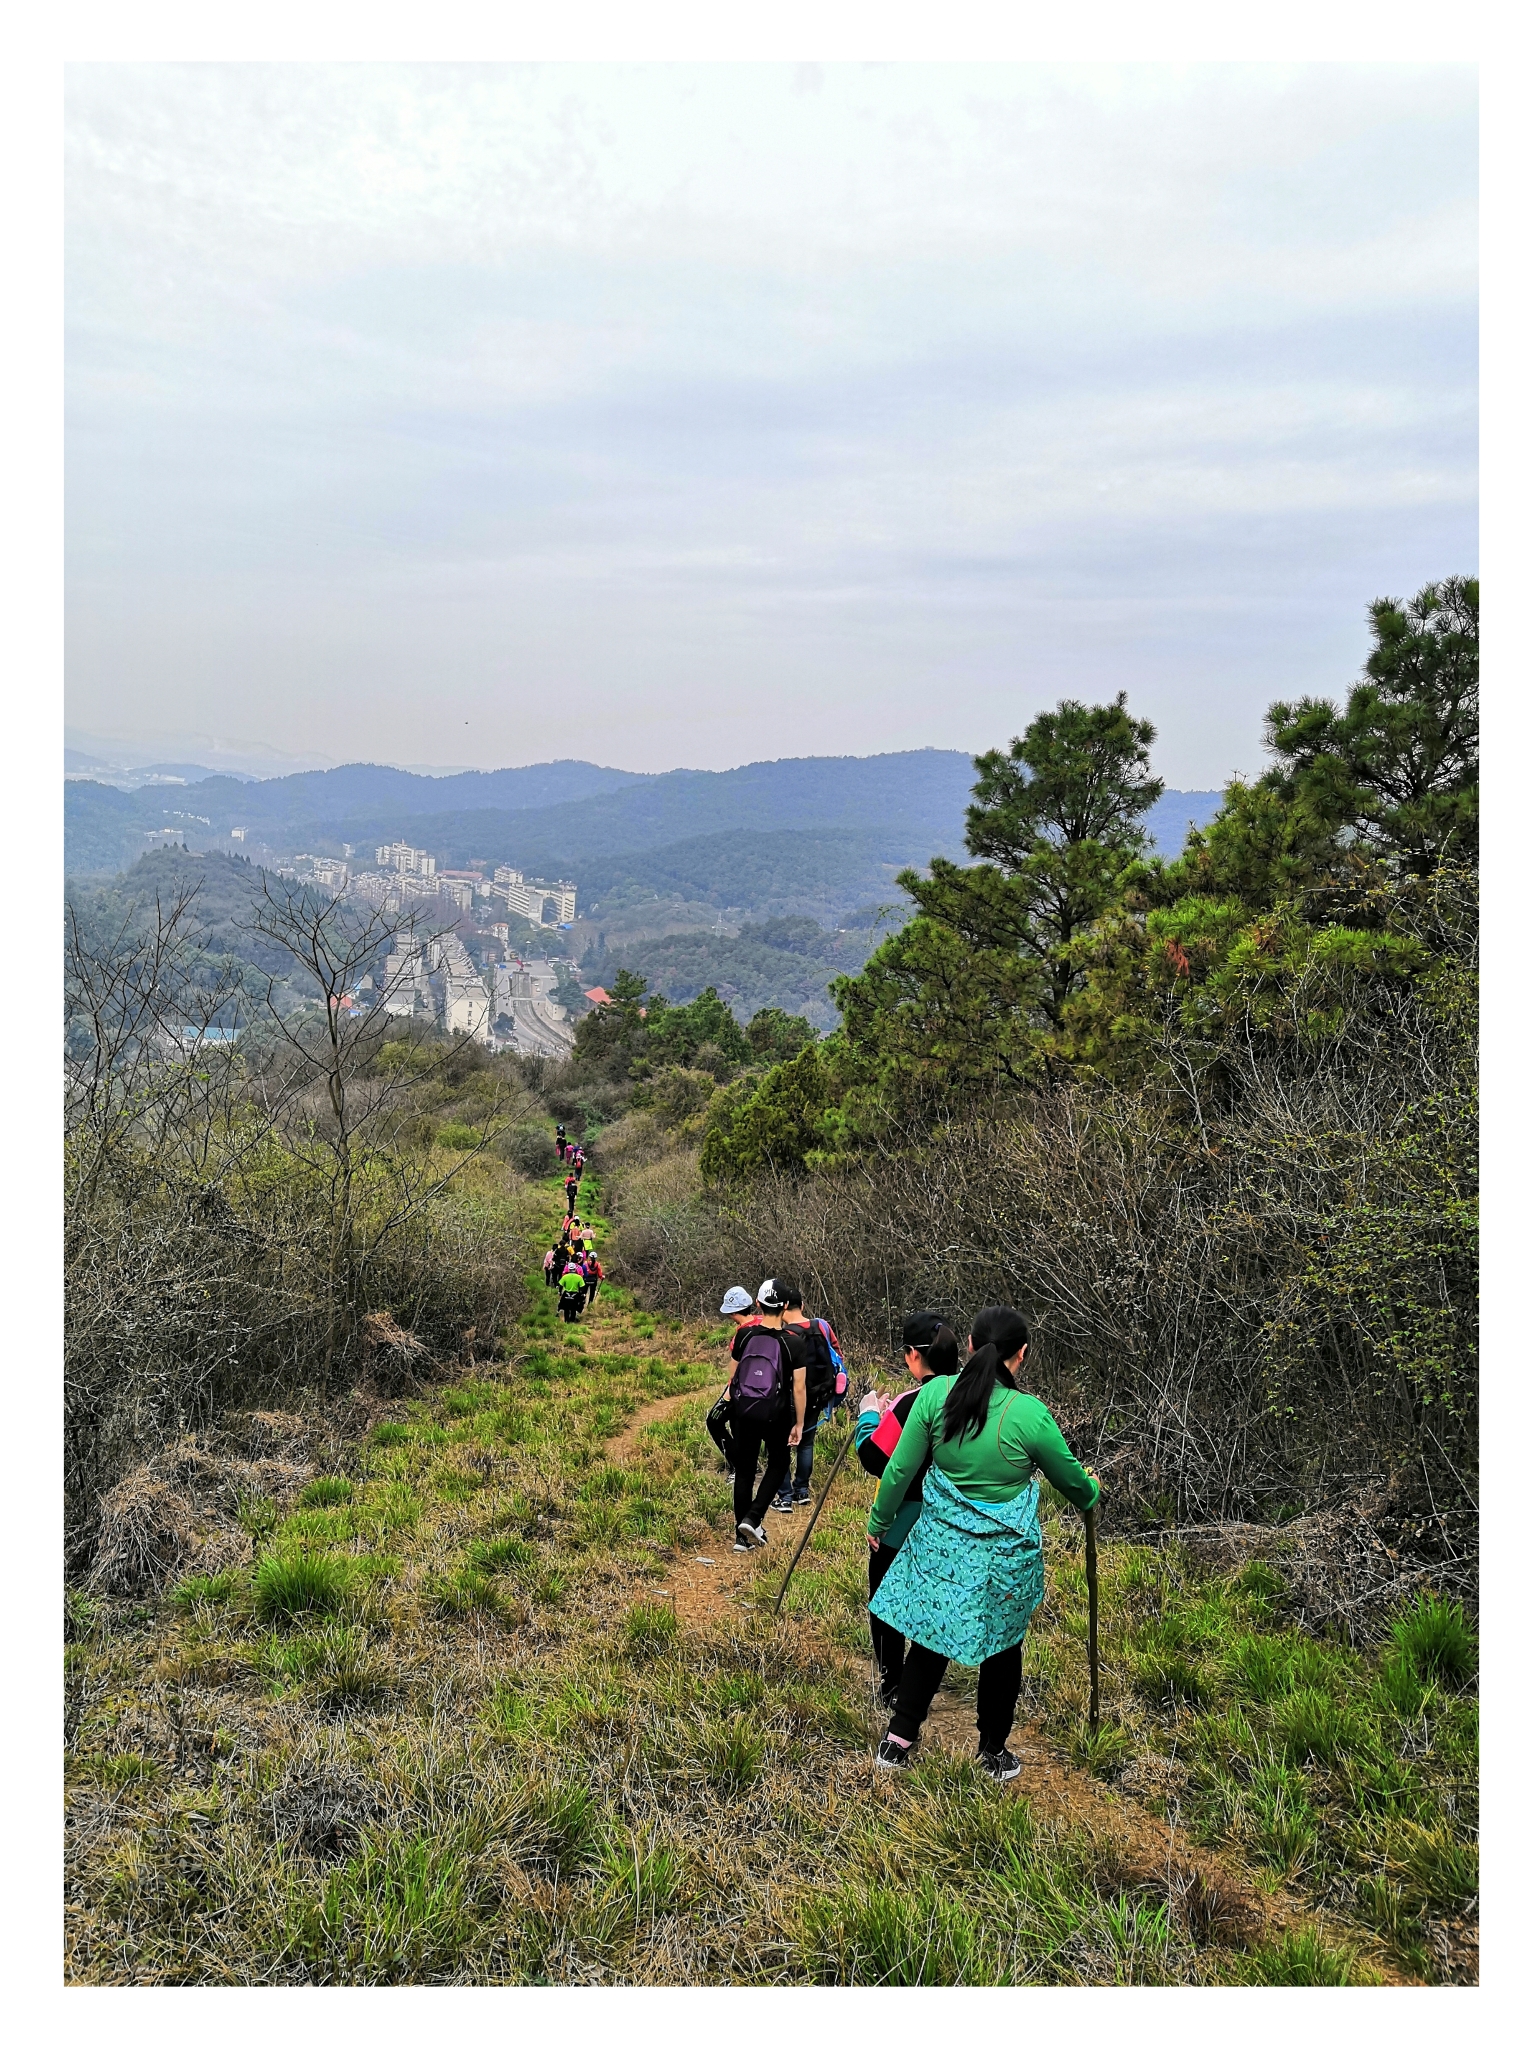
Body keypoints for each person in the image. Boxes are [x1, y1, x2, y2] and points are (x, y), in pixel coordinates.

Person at [866, 1305, 1099, 1782]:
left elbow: (899, 1470)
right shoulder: (1030, 1416)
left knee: (931, 1638)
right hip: (1003, 1557)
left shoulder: (934, 1395)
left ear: (970, 1346)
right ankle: (993, 1751)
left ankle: (898, 1740)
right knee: (1003, 1645)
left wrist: (879, 1520)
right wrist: (1092, 1489)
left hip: (941, 1549)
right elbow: (1075, 1487)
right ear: (1022, 1355)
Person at [855, 1311, 961, 1708]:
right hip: (954, 1521)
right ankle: (926, 1680)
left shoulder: (910, 1402)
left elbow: (877, 1458)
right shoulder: (977, 1397)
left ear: (914, 1356)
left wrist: (868, 1415)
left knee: (885, 1601)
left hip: (902, 1522)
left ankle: (892, 1683)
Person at [726, 1279, 806, 1551]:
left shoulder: (744, 1336)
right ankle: (754, 1516)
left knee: (745, 1470)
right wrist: (799, 1423)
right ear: (785, 1307)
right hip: (776, 1414)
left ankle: (741, 1539)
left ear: (758, 1304)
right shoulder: (793, 1344)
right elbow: (799, 1388)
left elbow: (733, 1377)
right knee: (780, 1461)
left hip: (743, 1412)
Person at [772, 1286, 844, 1511]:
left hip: (790, 1398)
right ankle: (801, 1491)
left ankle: (784, 1497)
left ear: (783, 1308)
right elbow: (837, 1353)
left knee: (780, 1445)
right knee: (806, 1443)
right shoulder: (821, 1326)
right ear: (802, 1306)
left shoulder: (784, 1336)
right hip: (818, 1394)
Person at [705, 1288, 756, 1472]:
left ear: (733, 1312)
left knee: (714, 1421)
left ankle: (739, 1466)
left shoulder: (742, 1334)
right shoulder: (763, 1323)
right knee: (736, 1422)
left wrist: (728, 1394)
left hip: (740, 1388)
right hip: (764, 1388)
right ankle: (747, 1462)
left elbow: (736, 1370)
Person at [582, 1247, 603, 1311]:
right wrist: (602, 1277)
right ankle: (590, 1303)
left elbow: (583, 1272)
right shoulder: (598, 1265)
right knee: (592, 1292)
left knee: (584, 1291)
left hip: (586, 1280)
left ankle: (583, 1301)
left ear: (590, 1257)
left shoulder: (586, 1264)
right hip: (594, 1280)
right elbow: (600, 1274)